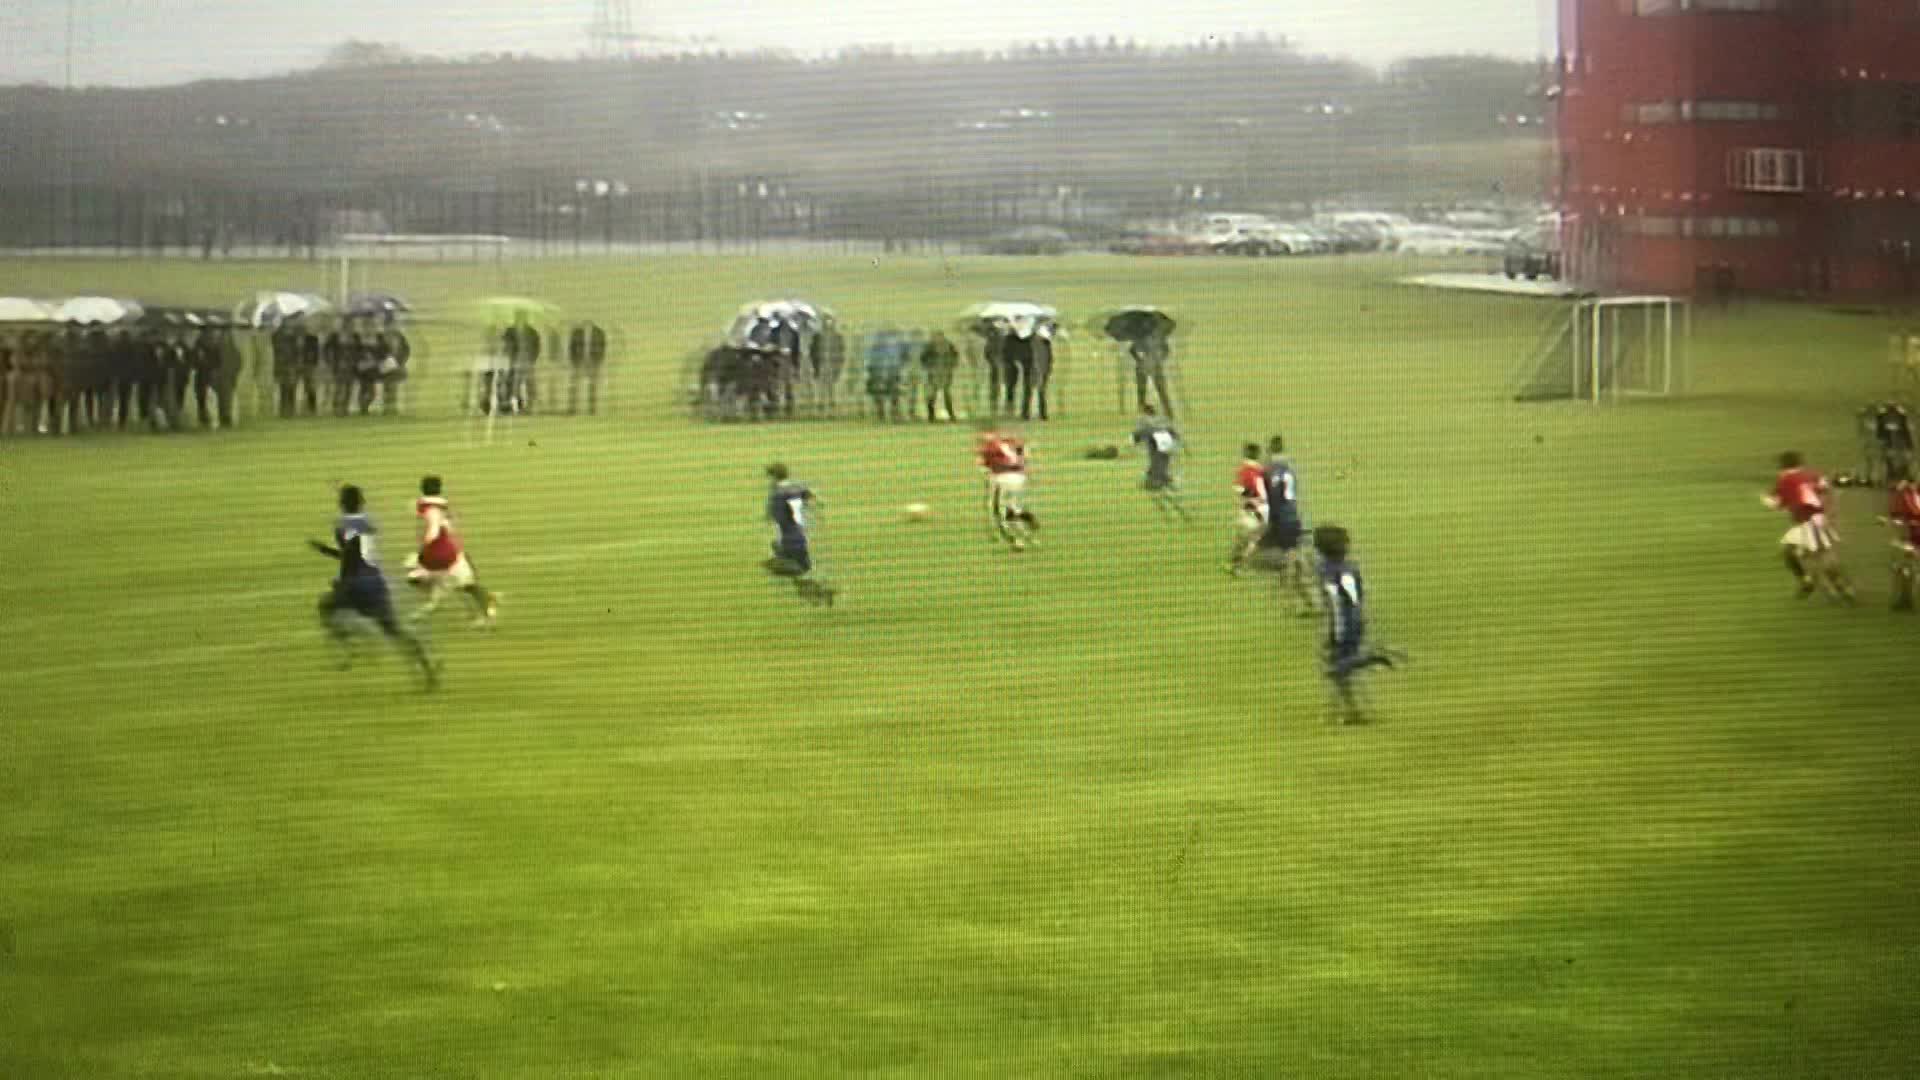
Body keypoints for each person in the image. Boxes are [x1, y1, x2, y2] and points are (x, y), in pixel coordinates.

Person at [309, 484, 440, 689]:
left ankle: (351, 643)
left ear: (342, 503)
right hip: (375, 582)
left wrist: (341, 579)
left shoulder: (342, 525)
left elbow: (350, 556)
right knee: (395, 630)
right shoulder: (367, 522)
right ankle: (427, 665)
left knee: (325, 607)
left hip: (356, 584)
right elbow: (357, 552)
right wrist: (328, 551)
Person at [1312, 524, 1404, 726]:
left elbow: (1336, 604)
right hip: (1355, 620)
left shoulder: (1325, 571)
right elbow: (1358, 598)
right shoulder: (1350, 567)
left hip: (1341, 624)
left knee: (1335, 668)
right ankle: (1351, 712)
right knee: (1339, 672)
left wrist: (1334, 632)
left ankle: (1373, 656)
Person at [404, 476, 501, 629]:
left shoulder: (428, 508)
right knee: (468, 585)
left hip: (437, 556)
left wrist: (425, 544)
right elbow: (448, 526)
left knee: (415, 575)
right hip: (449, 554)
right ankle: (486, 609)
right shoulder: (439, 506)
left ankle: (437, 600)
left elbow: (433, 531)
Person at [1763, 450, 1855, 603]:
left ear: (1783, 465)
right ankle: (1809, 581)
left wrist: (1766, 500)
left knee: (1823, 558)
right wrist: (1829, 512)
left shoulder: (1785, 480)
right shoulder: (1811, 475)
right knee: (1789, 551)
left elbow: (1776, 504)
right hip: (1813, 520)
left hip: (1808, 521)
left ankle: (1842, 588)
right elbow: (1825, 489)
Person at [1259, 435, 1317, 614]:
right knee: (1297, 558)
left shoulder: (1270, 471)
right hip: (1294, 517)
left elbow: (1273, 499)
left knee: (1291, 562)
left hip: (1283, 520)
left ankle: (1294, 604)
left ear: (1270, 451)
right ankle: (1312, 602)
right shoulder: (1289, 469)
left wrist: (1269, 522)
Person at [762, 463, 836, 606]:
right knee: (797, 573)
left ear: (774, 477)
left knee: (787, 570)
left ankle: (820, 594)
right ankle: (820, 594)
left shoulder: (777, 494)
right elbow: (811, 496)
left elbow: (773, 517)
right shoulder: (795, 487)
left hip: (789, 540)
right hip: (800, 536)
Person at [977, 423, 1038, 550]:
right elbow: (1024, 451)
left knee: (998, 512)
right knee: (1013, 508)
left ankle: (1015, 541)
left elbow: (985, 469)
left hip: (1003, 478)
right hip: (1020, 478)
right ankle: (1025, 522)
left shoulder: (988, 448)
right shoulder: (1010, 442)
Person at [1131, 403, 1189, 521]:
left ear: (1145, 413)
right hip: (1165, 461)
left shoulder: (1147, 426)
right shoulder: (1164, 422)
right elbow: (1176, 437)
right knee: (1159, 488)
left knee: (1154, 489)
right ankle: (1177, 511)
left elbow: (1134, 439)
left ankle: (1176, 512)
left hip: (1158, 464)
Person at [1229, 442, 1269, 575]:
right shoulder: (1262, 470)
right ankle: (1238, 564)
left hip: (1249, 509)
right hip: (1261, 509)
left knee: (1244, 537)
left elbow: (1239, 490)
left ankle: (1236, 562)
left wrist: (1248, 499)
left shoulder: (1244, 471)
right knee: (1253, 539)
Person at [1881, 475, 1920, 612]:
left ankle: (1904, 599)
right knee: (1903, 569)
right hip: (1908, 538)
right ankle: (1904, 599)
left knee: (1905, 569)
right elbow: (1897, 519)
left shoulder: (1906, 497)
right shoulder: (1902, 498)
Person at [921, 330, 960, 422]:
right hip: (933, 374)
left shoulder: (949, 345)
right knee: (931, 395)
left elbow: (955, 356)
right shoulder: (929, 346)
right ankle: (931, 416)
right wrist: (929, 368)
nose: (938, 339)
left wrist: (951, 366)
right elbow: (923, 358)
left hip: (945, 374)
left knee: (947, 395)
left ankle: (951, 415)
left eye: (939, 337)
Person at [1873, 401, 1914, 484]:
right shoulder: (1886, 418)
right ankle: (1894, 475)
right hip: (1891, 441)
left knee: (1899, 458)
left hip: (1897, 441)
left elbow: (1905, 429)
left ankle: (1901, 475)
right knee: (1890, 457)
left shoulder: (1899, 417)